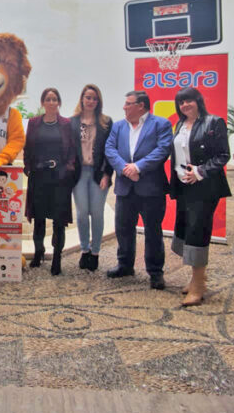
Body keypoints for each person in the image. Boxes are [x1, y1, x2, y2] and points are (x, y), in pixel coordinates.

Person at [105, 90, 173, 289]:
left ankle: (155, 272)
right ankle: (125, 265)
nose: (124, 107)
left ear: (141, 106)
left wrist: (138, 167)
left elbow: (163, 149)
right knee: (123, 228)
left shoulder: (161, 124)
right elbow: (110, 149)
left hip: (151, 188)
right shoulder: (118, 126)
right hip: (125, 188)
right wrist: (126, 169)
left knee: (153, 231)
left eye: (128, 103)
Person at [169, 86, 231, 307]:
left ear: (198, 101)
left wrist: (199, 172)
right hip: (184, 187)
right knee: (186, 230)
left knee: (198, 232)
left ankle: (197, 287)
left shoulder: (214, 122)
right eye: (181, 102)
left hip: (204, 188)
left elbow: (223, 155)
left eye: (189, 101)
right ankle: (198, 279)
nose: (185, 105)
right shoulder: (179, 125)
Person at [24, 88, 77, 276]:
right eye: (48, 99)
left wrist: (68, 169)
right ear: (43, 102)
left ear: (59, 103)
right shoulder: (33, 123)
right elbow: (27, 148)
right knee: (38, 220)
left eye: (55, 99)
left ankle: (57, 258)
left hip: (60, 178)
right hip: (39, 176)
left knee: (58, 221)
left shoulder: (66, 124)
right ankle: (39, 252)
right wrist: (28, 167)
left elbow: (72, 150)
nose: (52, 102)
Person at [71, 84, 113, 272]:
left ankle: (95, 252)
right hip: (79, 174)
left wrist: (107, 174)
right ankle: (84, 250)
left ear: (99, 101)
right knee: (81, 214)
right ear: (82, 99)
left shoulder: (106, 122)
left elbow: (111, 151)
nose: (91, 101)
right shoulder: (72, 122)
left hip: (98, 174)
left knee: (96, 213)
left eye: (94, 98)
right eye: (88, 97)